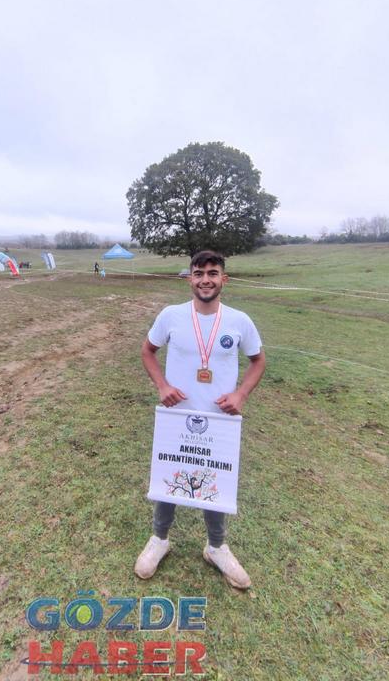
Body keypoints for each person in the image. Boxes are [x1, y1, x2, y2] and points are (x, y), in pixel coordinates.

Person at [135, 249, 266, 589]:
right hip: (177, 418)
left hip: (219, 421)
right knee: (169, 477)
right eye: (198, 273)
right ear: (189, 279)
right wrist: (162, 385)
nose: (205, 280)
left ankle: (216, 547)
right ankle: (160, 539)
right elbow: (148, 351)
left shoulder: (239, 321)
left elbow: (258, 360)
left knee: (216, 480)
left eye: (212, 273)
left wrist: (240, 395)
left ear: (224, 279)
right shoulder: (171, 316)